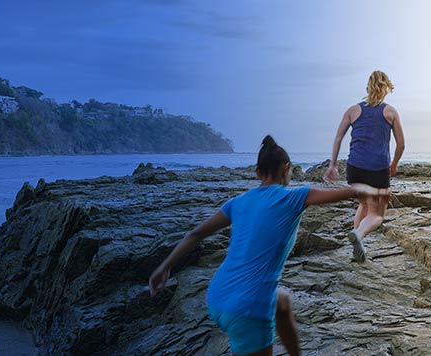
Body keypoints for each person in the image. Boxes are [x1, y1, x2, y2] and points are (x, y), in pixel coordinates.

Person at [149, 135, 378, 356]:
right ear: (287, 168)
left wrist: (165, 266)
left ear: (258, 172)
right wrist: (371, 187)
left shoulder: (237, 203)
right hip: (248, 309)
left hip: (217, 296)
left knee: (282, 301)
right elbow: (348, 192)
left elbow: (196, 233)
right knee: (266, 304)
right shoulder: (293, 197)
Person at [326, 70, 405, 263]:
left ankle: (358, 246)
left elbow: (338, 137)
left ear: (368, 87)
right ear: (385, 88)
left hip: (355, 167)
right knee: (377, 214)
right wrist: (393, 164)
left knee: (363, 203)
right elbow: (401, 144)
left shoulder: (353, 110)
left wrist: (333, 164)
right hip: (378, 168)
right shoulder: (390, 111)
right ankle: (359, 235)